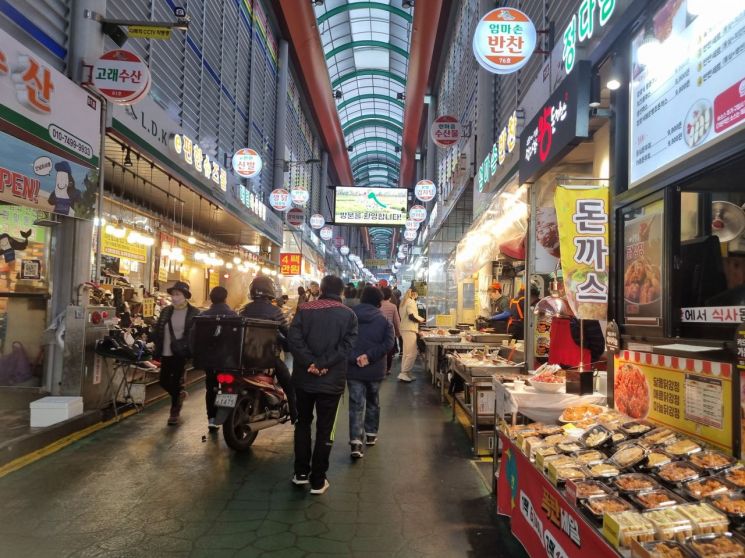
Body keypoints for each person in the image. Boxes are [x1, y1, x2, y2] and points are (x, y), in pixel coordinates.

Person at [288, 275, 357, 494]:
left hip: (303, 378)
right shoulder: (349, 315)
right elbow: (347, 345)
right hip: (331, 381)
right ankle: (318, 480)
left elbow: (293, 339)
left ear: (321, 289)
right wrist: (323, 364)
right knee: (325, 428)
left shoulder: (305, 310)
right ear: (342, 292)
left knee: (303, 423)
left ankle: (300, 474)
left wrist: (310, 362)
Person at [239, 276, 297, 423]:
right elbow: (287, 332)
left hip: (244, 357)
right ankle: (296, 416)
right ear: (270, 291)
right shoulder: (275, 311)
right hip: (268, 357)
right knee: (289, 384)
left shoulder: (244, 309)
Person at [347, 287, 394, 458]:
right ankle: (371, 434)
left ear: (361, 299)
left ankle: (355, 443)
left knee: (355, 405)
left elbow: (342, 341)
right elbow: (389, 343)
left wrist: (355, 358)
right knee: (373, 401)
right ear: (379, 302)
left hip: (353, 368)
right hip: (375, 368)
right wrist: (369, 356)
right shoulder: (384, 320)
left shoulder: (349, 316)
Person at [151, 281, 201, 425]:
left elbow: (194, 334)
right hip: (165, 351)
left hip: (181, 353)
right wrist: (154, 340)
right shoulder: (166, 311)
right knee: (163, 381)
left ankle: (174, 412)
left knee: (175, 380)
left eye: (178, 294)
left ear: (185, 296)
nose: (174, 297)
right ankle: (178, 396)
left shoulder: (194, 313)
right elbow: (159, 328)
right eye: (173, 294)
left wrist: (188, 349)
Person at [200, 286, 237, 430]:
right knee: (228, 387)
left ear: (211, 299)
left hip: (209, 360)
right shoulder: (232, 315)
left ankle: (212, 418)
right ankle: (225, 417)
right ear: (225, 298)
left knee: (211, 388)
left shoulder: (203, 316)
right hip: (227, 360)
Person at [398, 287, 424, 382]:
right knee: (412, 353)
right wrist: (421, 320)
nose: (417, 296)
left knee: (406, 352)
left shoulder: (404, 301)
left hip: (405, 328)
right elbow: (411, 316)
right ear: (414, 293)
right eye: (417, 294)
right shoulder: (410, 301)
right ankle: (404, 373)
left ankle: (406, 372)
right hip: (409, 329)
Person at [379, 286, 401, 375]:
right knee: (389, 350)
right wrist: (398, 333)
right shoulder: (393, 306)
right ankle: (387, 369)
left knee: (380, 350)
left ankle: (380, 368)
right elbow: (397, 321)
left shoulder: (377, 305)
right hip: (389, 332)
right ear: (390, 296)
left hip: (378, 330)